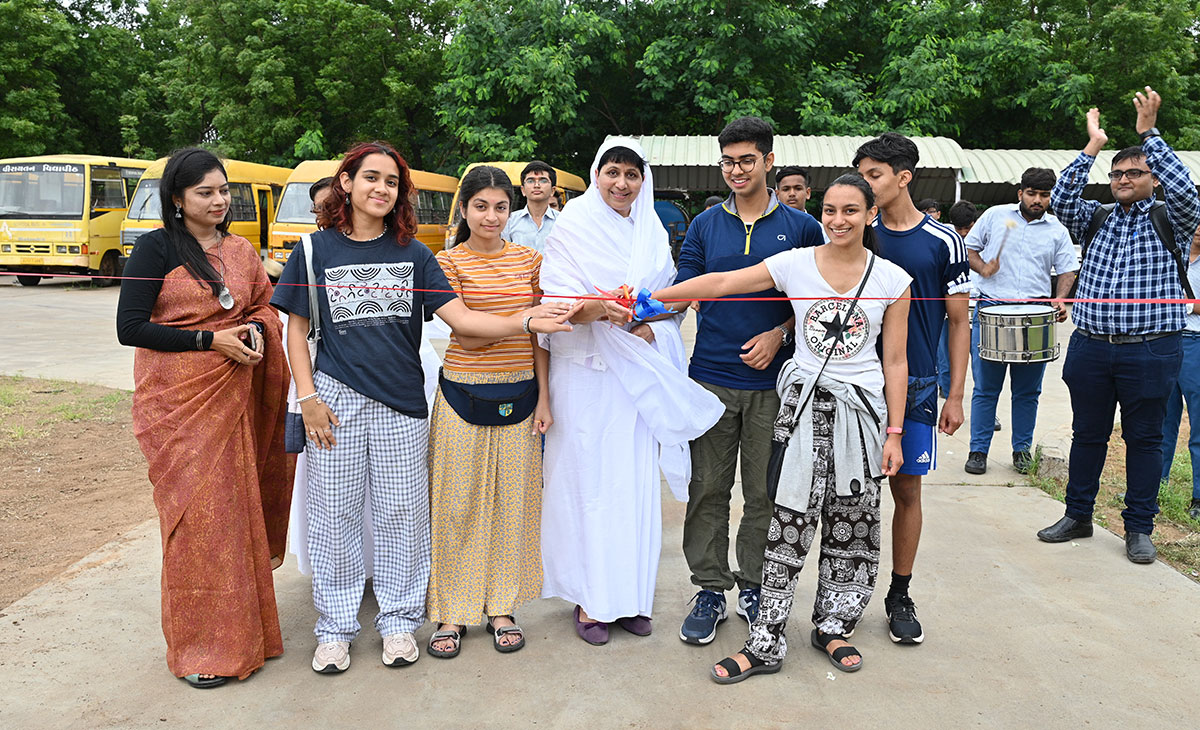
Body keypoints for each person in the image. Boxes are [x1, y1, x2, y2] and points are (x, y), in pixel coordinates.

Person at [271, 141, 576, 674]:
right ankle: (336, 629)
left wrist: (526, 322)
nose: (381, 189)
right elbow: (295, 333)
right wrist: (308, 397)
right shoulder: (313, 251)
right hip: (334, 399)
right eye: (371, 178)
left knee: (402, 516)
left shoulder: (415, 255)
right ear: (347, 183)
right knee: (334, 516)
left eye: (391, 182)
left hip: (404, 402)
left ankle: (397, 623)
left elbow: (464, 322)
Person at [651, 174, 910, 683]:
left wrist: (895, 434)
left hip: (861, 416)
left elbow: (895, 361)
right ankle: (765, 640)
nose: (838, 220)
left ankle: (834, 626)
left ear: (869, 215)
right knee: (785, 524)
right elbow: (723, 283)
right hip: (801, 411)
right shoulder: (794, 264)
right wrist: (653, 296)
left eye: (851, 211)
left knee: (853, 525)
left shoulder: (892, 280)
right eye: (831, 210)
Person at [116, 147, 293, 689]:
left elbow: (265, 306)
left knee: (237, 519)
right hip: (178, 408)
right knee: (198, 524)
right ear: (177, 198)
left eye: (223, 191)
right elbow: (131, 328)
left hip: (236, 399)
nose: (219, 201)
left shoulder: (240, 251)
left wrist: (254, 331)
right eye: (205, 193)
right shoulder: (155, 249)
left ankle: (250, 636)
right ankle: (201, 648)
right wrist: (209, 339)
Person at [538, 137, 724, 646]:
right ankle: (591, 600)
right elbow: (555, 304)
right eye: (612, 172)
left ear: (644, 181)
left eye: (632, 174)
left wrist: (651, 324)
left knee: (634, 487)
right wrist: (600, 309)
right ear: (597, 173)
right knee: (588, 486)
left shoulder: (653, 231)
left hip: (637, 374)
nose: (621, 183)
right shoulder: (572, 226)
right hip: (586, 375)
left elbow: (669, 301)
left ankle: (631, 599)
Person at [669, 116, 823, 646]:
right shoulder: (706, 224)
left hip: (775, 385)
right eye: (728, 162)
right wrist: (640, 317)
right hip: (709, 377)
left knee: (764, 493)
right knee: (708, 488)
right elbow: (685, 288)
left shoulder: (803, 228)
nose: (736, 170)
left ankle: (755, 586)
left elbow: (818, 305)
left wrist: (780, 333)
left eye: (746, 161)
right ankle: (710, 588)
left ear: (768, 162)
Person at [1038, 89, 1200, 563]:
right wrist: (1093, 146)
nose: (1124, 179)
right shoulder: (1098, 217)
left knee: (1144, 438)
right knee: (1088, 432)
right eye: (1117, 174)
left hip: (1151, 348)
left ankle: (1138, 528)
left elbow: (1187, 190)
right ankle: (1078, 514)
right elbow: (1062, 198)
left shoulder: (1172, 217)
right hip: (1091, 345)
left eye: (1135, 172)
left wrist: (1148, 134)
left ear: (1152, 178)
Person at [425, 166, 549, 658]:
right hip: (461, 394)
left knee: (512, 505)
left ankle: (502, 607)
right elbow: (466, 332)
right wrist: (521, 320)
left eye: (501, 207)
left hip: (521, 394)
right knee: (456, 504)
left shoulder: (531, 261)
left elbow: (541, 335)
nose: (491, 217)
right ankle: (451, 612)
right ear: (464, 209)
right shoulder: (445, 262)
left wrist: (544, 396)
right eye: (481, 206)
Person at [855, 132, 970, 644]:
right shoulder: (856, 232)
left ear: (903, 178)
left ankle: (899, 593)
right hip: (855, 380)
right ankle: (843, 591)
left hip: (919, 384)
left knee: (906, 490)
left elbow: (960, 322)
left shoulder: (944, 242)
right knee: (849, 494)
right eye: (860, 174)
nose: (865, 184)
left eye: (874, 175)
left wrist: (955, 392)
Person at [963, 169, 1077, 475]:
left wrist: (1061, 298)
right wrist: (983, 267)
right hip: (992, 310)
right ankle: (978, 450)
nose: (1037, 200)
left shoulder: (1056, 230)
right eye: (1032, 194)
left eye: (1043, 195)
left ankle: (1021, 450)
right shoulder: (995, 216)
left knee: (1028, 392)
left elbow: (1067, 269)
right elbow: (969, 249)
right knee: (986, 389)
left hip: (1035, 314)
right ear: (1020, 193)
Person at [1161, 222, 1200, 522]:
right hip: (1165, 339)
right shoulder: (1170, 253)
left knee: (1198, 428)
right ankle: (1153, 486)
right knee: (1160, 420)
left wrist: (1186, 305)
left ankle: (1198, 497)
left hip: (1196, 344)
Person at [937, 201, 981, 400]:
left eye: (968, 228)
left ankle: (984, 405)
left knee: (980, 364)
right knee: (945, 360)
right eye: (959, 228)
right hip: (950, 312)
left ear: (976, 222)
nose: (963, 233)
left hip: (977, 310)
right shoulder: (945, 240)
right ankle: (949, 401)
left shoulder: (987, 239)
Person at [501, 160, 558, 252]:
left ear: (553, 190)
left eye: (543, 180)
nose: (536, 185)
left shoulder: (562, 221)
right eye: (530, 181)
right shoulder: (509, 221)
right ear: (523, 190)